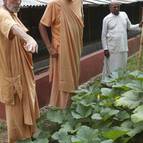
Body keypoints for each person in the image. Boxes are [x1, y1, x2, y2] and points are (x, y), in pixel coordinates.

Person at [0, 0, 40, 142]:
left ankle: (28, 136)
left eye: (19, 1)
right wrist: (29, 38)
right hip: (11, 73)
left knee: (27, 105)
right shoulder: (1, 13)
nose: (18, 3)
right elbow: (13, 28)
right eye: (14, 0)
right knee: (16, 113)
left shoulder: (12, 14)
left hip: (22, 71)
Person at [39, 0, 84, 108]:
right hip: (61, 51)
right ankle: (62, 108)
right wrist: (49, 48)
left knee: (74, 79)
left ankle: (71, 105)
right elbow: (42, 25)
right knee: (64, 80)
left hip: (75, 49)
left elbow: (80, 24)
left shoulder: (79, 2)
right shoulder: (54, 4)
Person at [101, 1, 142, 85]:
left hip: (123, 46)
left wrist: (139, 25)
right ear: (110, 7)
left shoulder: (124, 15)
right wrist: (105, 48)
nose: (116, 9)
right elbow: (103, 35)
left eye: (118, 7)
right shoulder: (106, 19)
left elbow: (129, 27)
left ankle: (120, 83)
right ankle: (109, 84)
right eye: (114, 7)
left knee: (122, 65)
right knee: (111, 66)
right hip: (112, 48)